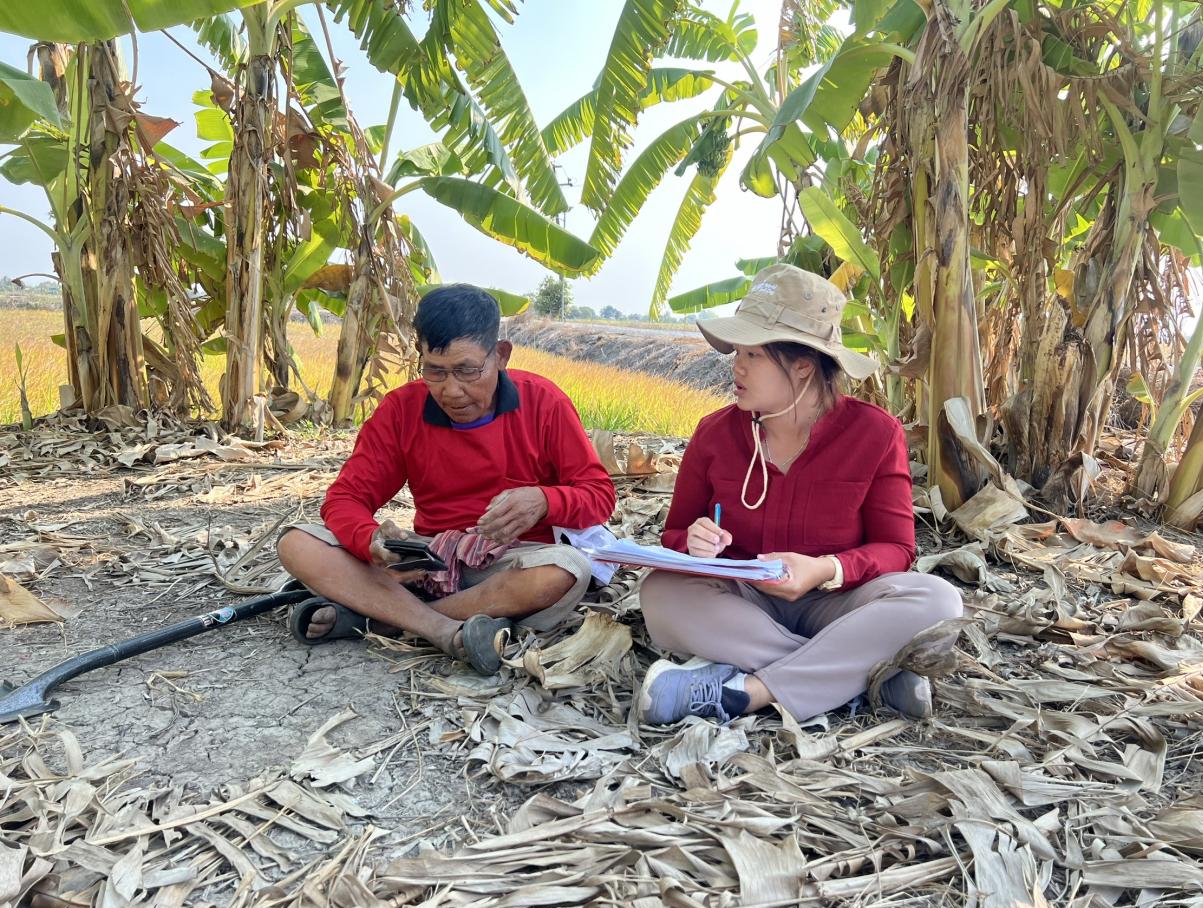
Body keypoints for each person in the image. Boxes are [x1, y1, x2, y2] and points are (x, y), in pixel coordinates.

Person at [637, 263, 963, 724]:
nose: (737, 366)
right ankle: (867, 675)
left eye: (753, 354)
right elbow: (674, 535)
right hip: (743, 598)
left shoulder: (874, 433)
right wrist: (693, 541)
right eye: (737, 352)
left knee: (938, 601)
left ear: (804, 365)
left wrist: (825, 569)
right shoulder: (714, 435)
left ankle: (748, 692)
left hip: (840, 602)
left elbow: (898, 549)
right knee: (661, 594)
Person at [278, 284, 616, 675]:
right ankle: (443, 628)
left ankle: (380, 617)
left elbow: (600, 496)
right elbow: (345, 498)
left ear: (501, 355)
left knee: (565, 570)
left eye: (468, 371)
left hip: (507, 563)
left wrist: (544, 501)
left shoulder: (543, 402)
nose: (451, 390)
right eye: (434, 371)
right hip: (429, 560)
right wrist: (370, 540)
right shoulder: (402, 410)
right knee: (297, 543)